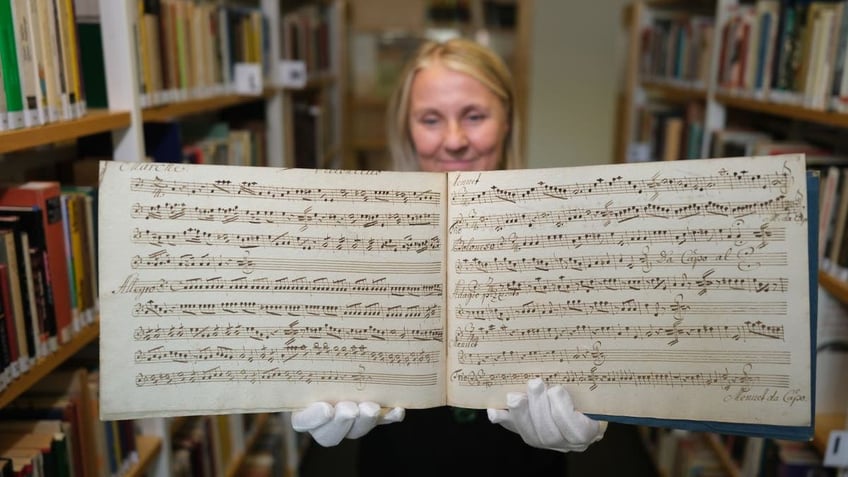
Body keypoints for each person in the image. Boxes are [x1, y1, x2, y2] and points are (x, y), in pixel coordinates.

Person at [291, 38, 606, 475]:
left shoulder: (559, 238)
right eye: (430, 119)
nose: (454, 141)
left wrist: (598, 404)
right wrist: (317, 389)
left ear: (508, 121)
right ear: (407, 128)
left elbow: (593, 357)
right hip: (398, 462)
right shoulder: (358, 242)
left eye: (474, 116)